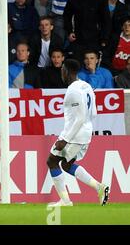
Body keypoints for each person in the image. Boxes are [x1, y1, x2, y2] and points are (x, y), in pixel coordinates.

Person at [46, 59, 109, 207]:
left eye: (62, 69)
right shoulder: (86, 86)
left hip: (74, 135)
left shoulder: (73, 90)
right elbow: (93, 112)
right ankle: (99, 187)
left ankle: (65, 201)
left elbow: (79, 117)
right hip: (86, 132)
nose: (61, 72)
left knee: (52, 161)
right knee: (67, 165)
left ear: (66, 71)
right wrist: (87, 126)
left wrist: (65, 139)